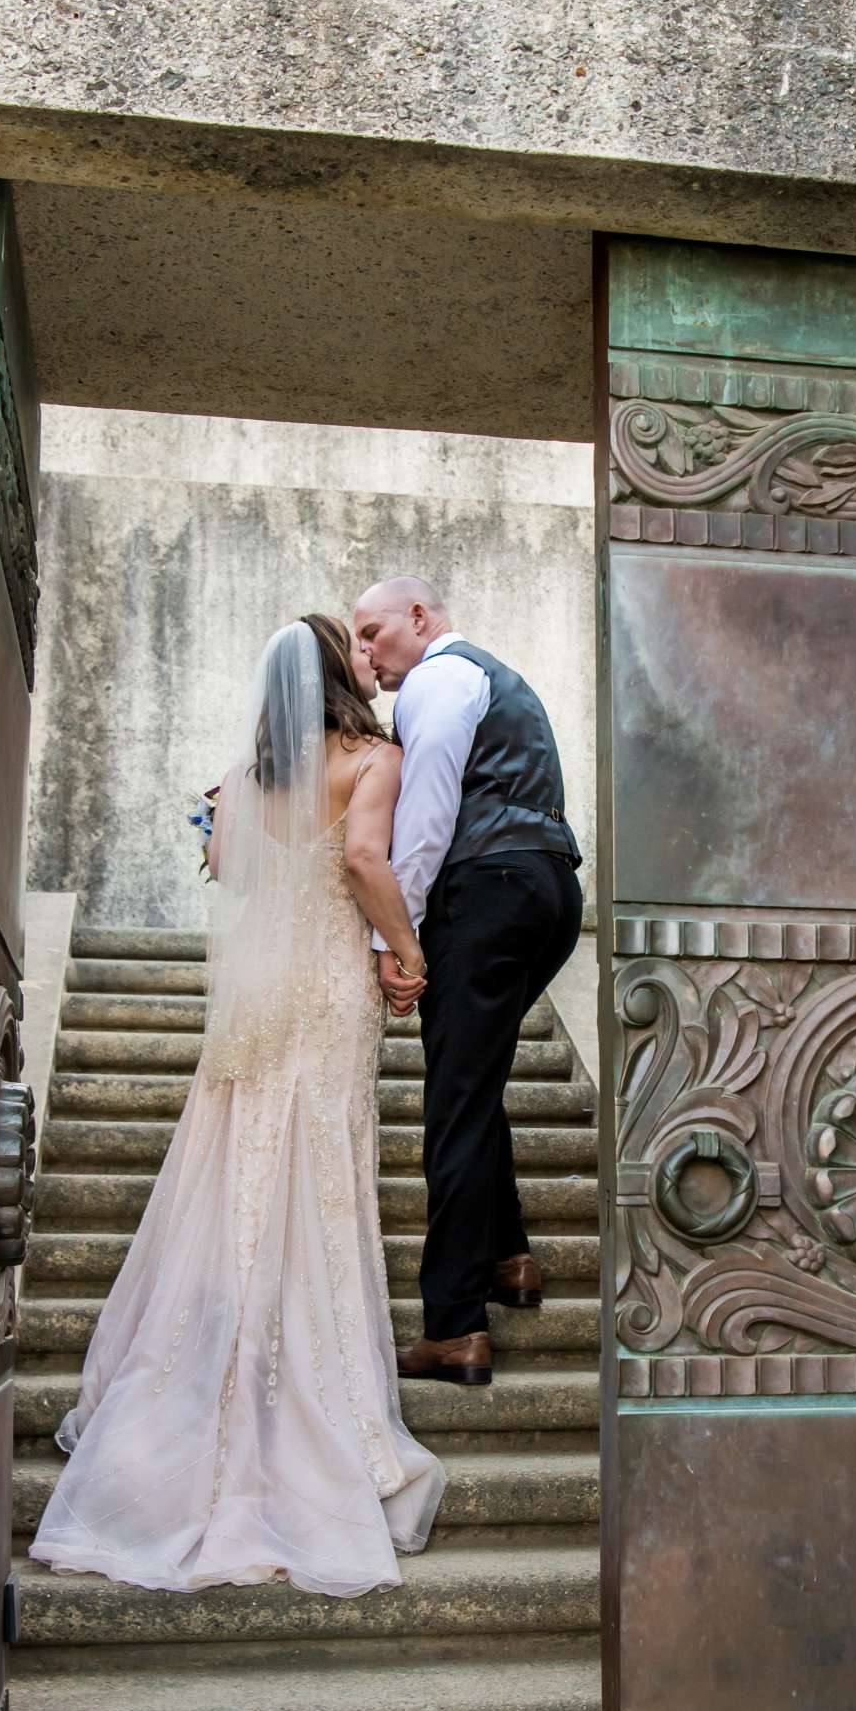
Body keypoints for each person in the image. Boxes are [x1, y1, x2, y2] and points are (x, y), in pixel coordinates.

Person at [30, 615, 443, 1595]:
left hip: (261, 996)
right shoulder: (370, 758)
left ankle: (197, 1381)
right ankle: (310, 1399)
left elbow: (224, 869)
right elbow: (365, 864)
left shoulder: (252, 772)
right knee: (318, 1168)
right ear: (342, 673)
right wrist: (410, 953)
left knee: (242, 1161)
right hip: (329, 988)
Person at [351, 577, 583, 1387]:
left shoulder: (438, 679)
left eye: (375, 631)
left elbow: (427, 813)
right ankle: (508, 1255)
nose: (369, 653)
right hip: (549, 887)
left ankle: (453, 1327)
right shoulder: (491, 676)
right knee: (474, 1082)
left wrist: (397, 938)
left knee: (453, 1099)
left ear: (420, 618)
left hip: (485, 891)